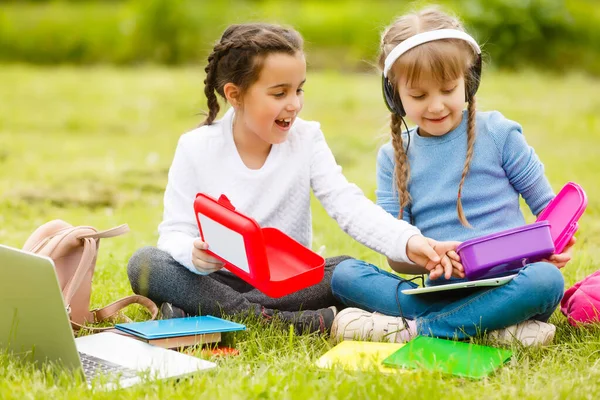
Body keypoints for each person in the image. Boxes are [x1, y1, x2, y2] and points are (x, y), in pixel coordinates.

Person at [127, 23, 459, 335]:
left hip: (289, 284)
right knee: (146, 263)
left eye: (299, 90)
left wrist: (408, 241)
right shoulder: (196, 147)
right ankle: (284, 322)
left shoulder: (307, 139)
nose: (295, 104)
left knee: (344, 271)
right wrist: (193, 255)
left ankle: (201, 314)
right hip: (217, 280)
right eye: (279, 93)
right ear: (235, 94)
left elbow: (349, 205)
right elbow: (173, 234)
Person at [330, 7, 572, 346]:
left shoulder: (500, 133)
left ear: (468, 79)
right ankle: (487, 329)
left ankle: (418, 330)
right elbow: (396, 256)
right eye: (418, 95)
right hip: (442, 292)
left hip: (512, 286)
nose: (436, 106)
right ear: (394, 95)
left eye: (447, 89)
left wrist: (554, 245)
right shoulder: (393, 156)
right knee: (344, 274)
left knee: (546, 280)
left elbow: (549, 210)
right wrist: (429, 257)